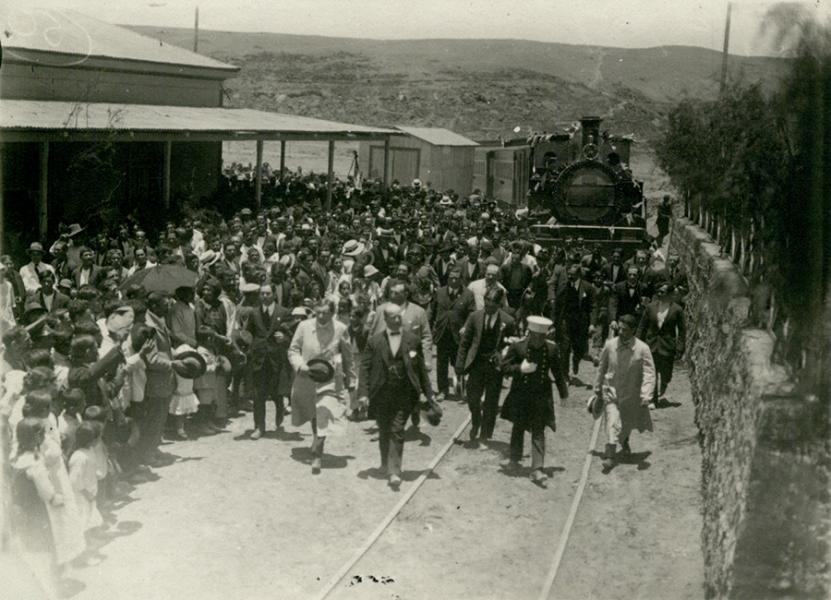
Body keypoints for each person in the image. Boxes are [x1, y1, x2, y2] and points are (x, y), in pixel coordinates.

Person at [357, 304, 433, 489]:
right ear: (386, 318)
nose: (398, 320)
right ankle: (385, 463)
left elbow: (421, 370)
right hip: (381, 393)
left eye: (399, 317)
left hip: (404, 394)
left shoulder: (412, 340)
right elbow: (364, 368)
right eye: (393, 317)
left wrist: (428, 394)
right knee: (384, 429)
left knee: (397, 429)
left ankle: (394, 471)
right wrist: (363, 394)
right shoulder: (374, 341)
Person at [499, 316, 569, 487]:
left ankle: (537, 468)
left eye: (542, 337)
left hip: (540, 396)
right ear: (529, 333)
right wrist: (520, 369)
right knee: (518, 426)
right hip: (521, 394)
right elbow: (503, 368)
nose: (538, 340)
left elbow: (558, 373)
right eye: (535, 336)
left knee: (538, 430)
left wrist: (563, 394)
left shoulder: (551, 350)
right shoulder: (518, 347)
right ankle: (514, 459)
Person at [287, 297, 355, 474]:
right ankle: (317, 436)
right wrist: (299, 364)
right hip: (307, 375)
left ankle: (317, 455)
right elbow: (293, 349)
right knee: (312, 412)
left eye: (326, 312)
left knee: (323, 410)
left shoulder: (340, 329)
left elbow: (348, 357)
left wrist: (352, 381)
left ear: (332, 313)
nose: (321, 316)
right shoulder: (304, 327)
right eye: (318, 312)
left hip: (330, 378)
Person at [594, 314, 656, 471]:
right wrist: (597, 387)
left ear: (633, 330)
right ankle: (610, 456)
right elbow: (602, 367)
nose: (621, 332)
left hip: (631, 393)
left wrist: (645, 395)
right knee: (612, 421)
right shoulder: (610, 345)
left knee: (626, 422)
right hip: (611, 389)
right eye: (619, 329)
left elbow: (649, 373)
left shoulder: (642, 348)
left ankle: (625, 441)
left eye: (625, 330)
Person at [455, 287, 515, 444]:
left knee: (491, 402)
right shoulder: (475, 316)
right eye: (485, 304)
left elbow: (512, 346)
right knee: (472, 397)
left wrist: (502, 356)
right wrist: (460, 364)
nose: (487, 308)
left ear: (499, 304)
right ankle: (476, 420)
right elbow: (465, 342)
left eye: (491, 306)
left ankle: (485, 434)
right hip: (476, 363)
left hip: (495, 367)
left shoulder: (508, 321)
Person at [245, 284, 292, 439]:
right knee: (259, 394)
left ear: (273, 295)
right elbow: (248, 333)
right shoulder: (254, 313)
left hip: (276, 358)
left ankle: (280, 408)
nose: (264, 296)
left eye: (267, 293)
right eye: (262, 294)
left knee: (276, 390)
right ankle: (259, 426)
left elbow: (293, 335)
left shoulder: (283, 312)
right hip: (259, 358)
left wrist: (284, 338)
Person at [636, 283, 685, 408]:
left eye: (662, 292)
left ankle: (664, 384)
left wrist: (680, 348)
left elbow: (682, 331)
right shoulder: (650, 307)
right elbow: (642, 326)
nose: (659, 294)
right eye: (658, 291)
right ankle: (653, 399)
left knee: (666, 373)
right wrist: (637, 342)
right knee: (652, 371)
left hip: (668, 345)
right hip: (651, 343)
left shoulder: (677, 310)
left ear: (669, 294)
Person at [430, 268, 475, 402]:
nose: (454, 281)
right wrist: (430, 327)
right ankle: (443, 391)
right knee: (441, 364)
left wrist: (466, 326)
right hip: (442, 334)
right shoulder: (439, 292)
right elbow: (431, 312)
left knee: (459, 364)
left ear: (461, 279)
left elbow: (472, 314)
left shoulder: (468, 294)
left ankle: (460, 391)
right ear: (448, 279)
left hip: (458, 336)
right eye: (451, 278)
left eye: (456, 278)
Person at [553, 264, 596, 382]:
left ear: (579, 274)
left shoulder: (588, 288)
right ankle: (564, 375)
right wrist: (554, 323)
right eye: (569, 275)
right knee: (565, 348)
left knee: (579, 349)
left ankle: (576, 361)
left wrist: (592, 323)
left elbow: (593, 307)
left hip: (581, 324)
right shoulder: (563, 287)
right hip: (566, 322)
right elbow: (557, 306)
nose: (570, 277)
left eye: (573, 275)